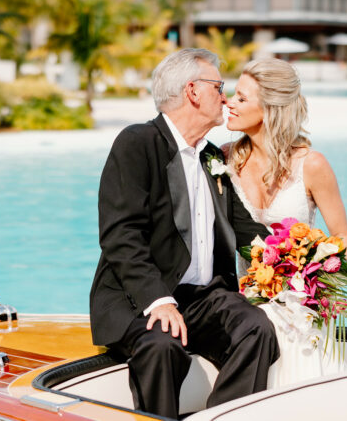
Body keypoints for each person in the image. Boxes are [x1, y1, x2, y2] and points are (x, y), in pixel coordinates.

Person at [90, 49, 279, 419]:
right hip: (138, 299)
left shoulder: (211, 156)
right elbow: (120, 234)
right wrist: (158, 299)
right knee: (162, 347)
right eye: (219, 87)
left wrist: (295, 258)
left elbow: (243, 228)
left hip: (203, 298)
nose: (224, 98)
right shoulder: (138, 143)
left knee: (256, 327)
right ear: (193, 91)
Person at [223, 57, 347, 388]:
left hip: (299, 305)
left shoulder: (312, 165)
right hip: (244, 302)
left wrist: (317, 285)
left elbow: (341, 235)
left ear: (268, 110)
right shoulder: (223, 160)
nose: (229, 102)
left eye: (241, 97)